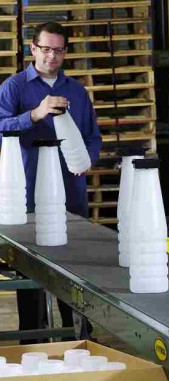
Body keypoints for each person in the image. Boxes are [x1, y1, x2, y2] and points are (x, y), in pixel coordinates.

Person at [0, 21, 102, 342]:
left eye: (58, 50)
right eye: (45, 49)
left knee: (74, 267)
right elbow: (1, 129)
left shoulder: (77, 91)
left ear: (65, 52)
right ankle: (33, 338)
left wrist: (86, 159)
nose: (51, 56)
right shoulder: (14, 88)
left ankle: (79, 334)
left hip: (70, 193)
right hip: (27, 195)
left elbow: (92, 136)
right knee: (30, 270)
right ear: (33, 49)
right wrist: (34, 114)